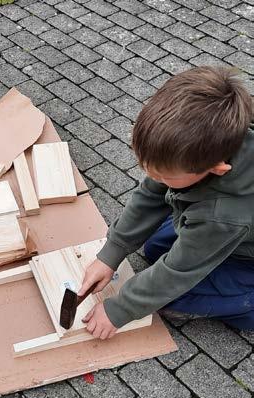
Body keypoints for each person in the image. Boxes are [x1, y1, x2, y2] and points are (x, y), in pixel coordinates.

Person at [79, 66, 254, 339]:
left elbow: (177, 272)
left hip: (246, 257)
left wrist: (120, 309)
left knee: (173, 298)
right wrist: (112, 252)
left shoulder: (222, 215)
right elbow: (151, 195)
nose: (153, 178)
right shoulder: (193, 152)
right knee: (155, 247)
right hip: (222, 228)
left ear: (217, 169)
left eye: (164, 176)